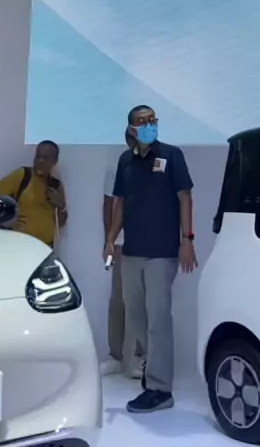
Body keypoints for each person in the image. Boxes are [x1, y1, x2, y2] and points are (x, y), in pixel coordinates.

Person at [103, 106, 197, 414]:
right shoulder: (125, 161)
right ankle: (153, 368)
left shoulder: (172, 155)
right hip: (131, 251)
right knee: (136, 315)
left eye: (152, 120)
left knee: (158, 318)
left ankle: (160, 389)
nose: (149, 124)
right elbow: (120, 203)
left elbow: (185, 197)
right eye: (142, 121)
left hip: (162, 251)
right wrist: (110, 239)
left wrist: (188, 239)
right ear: (131, 128)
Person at [100, 128, 145, 379]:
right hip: (121, 242)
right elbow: (108, 205)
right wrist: (108, 240)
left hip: (150, 244)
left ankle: (141, 357)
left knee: (143, 300)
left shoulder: (158, 166)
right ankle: (115, 356)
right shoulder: (117, 167)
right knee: (118, 300)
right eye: (131, 137)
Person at [0, 140, 67, 247]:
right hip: (20, 245)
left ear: (55, 161)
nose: (40, 161)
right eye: (38, 156)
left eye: (45, 158)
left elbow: (61, 223)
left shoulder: (56, 185)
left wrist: (61, 206)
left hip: (45, 247)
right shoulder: (23, 175)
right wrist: (8, 220)